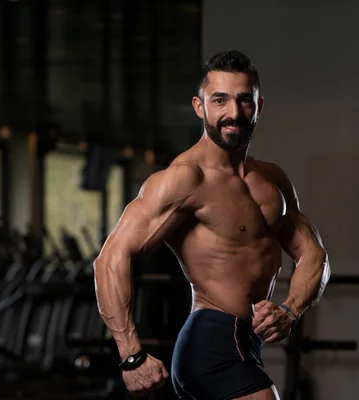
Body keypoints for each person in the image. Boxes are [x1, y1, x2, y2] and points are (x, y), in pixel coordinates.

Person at [93, 50, 331, 400]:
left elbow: (315, 256)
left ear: (259, 106)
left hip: (245, 342)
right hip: (212, 340)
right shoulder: (184, 180)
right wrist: (131, 355)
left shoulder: (272, 179)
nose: (233, 113)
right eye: (220, 100)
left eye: (243, 101)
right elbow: (110, 260)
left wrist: (290, 310)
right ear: (199, 106)